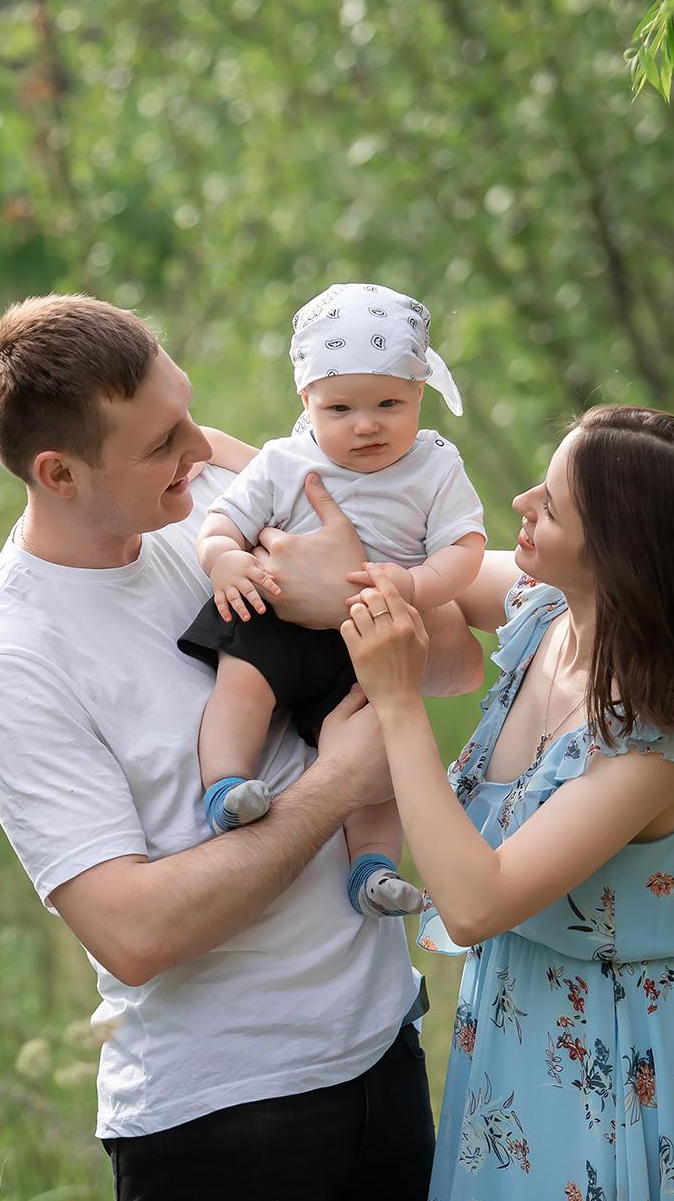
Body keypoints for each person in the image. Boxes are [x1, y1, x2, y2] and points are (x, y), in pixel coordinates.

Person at [0, 295, 482, 1201]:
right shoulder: (15, 654)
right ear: (58, 472)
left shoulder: (211, 496)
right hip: (220, 1124)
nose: (201, 447)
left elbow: (454, 663)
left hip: (383, 1056)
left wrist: (349, 594)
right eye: (163, 442)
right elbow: (132, 933)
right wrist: (340, 783)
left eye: (188, 412)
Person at [340, 404, 674, 1201]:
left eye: (553, 503)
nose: (522, 502)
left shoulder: (654, 745)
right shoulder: (547, 612)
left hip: (615, 1058)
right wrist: (248, 465)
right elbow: (406, 560)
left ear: (620, 554)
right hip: (514, 1037)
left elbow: (476, 902)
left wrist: (399, 703)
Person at [179, 282, 487, 921]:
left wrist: (416, 586)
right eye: (340, 408)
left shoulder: (435, 466)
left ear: (420, 393)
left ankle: (373, 866)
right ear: (307, 401)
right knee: (242, 687)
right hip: (275, 611)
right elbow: (222, 522)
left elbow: (465, 548)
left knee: (382, 747)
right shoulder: (283, 461)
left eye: (388, 403)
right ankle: (226, 786)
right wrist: (225, 559)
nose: (366, 424)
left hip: (369, 632)